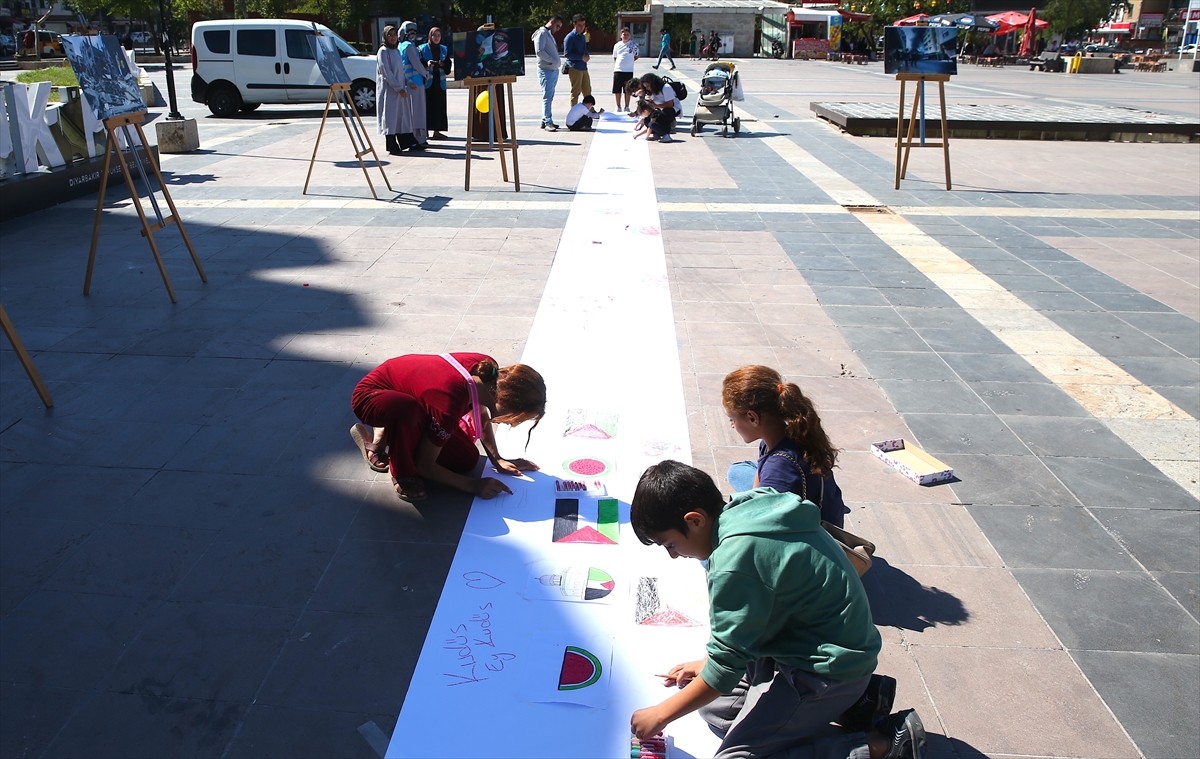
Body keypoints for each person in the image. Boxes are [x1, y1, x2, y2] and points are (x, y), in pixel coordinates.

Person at [628, 460, 928, 759]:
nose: (673, 556)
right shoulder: (748, 506)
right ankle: (860, 704)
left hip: (827, 668)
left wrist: (661, 714)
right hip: (809, 647)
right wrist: (709, 663)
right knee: (716, 709)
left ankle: (883, 746)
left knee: (735, 756)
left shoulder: (734, 561)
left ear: (695, 521)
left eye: (670, 545)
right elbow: (738, 640)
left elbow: (723, 671)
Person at [350, 353, 547, 501]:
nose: (510, 422)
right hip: (373, 395)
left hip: (412, 395)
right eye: (515, 418)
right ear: (503, 403)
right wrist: (473, 486)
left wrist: (497, 459)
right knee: (407, 414)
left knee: (466, 460)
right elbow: (424, 465)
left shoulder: (490, 373)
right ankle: (398, 467)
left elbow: (480, 413)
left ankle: (392, 428)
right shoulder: (448, 404)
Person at [722, 365, 848, 528]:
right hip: (820, 504)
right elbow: (757, 487)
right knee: (737, 471)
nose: (732, 425)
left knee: (737, 505)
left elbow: (765, 528)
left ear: (753, 418)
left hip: (816, 536)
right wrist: (752, 499)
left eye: (732, 418)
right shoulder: (790, 432)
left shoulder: (779, 469)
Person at [397, 21, 430, 150]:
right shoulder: (409, 47)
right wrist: (426, 73)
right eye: (410, 30)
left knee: (411, 112)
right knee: (418, 112)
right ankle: (419, 138)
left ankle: (415, 137)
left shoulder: (401, 46)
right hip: (416, 83)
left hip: (408, 82)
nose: (413, 33)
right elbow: (416, 64)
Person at [376, 25, 407, 155]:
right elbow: (386, 72)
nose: (393, 37)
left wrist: (406, 83)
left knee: (399, 117)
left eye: (394, 35)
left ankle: (404, 141)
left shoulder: (396, 51)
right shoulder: (383, 51)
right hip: (389, 90)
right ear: (385, 37)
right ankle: (391, 144)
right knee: (389, 117)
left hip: (399, 89)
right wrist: (398, 88)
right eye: (390, 35)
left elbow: (400, 70)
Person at [532, 15, 564, 131]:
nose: (558, 29)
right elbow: (539, 51)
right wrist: (552, 60)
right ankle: (547, 122)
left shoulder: (548, 34)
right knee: (547, 96)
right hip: (546, 70)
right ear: (552, 22)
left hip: (552, 70)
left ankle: (545, 119)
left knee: (549, 96)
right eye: (558, 26)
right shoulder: (541, 33)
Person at [419, 27, 451, 140]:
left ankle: (437, 131)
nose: (436, 38)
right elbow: (419, 64)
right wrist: (427, 64)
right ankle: (426, 130)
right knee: (427, 105)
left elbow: (448, 67)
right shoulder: (422, 49)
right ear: (430, 36)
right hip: (427, 82)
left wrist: (443, 64)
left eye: (438, 35)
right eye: (434, 35)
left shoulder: (444, 49)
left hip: (440, 81)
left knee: (440, 105)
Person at [639, 72, 681, 141]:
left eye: (648, 86)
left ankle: (666, 135)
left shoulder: (666, 88)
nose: (647, 89)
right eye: (645, 87)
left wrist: (655, 105)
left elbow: (670, 104)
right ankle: (656, 134)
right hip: (660, 109)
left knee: (660, 117)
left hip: (672, 109)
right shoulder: (652, 91)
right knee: (647, 120)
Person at [563, 13, 592, 107]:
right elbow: (567, 54)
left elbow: (584, 49)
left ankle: (589, 109)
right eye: (579, 25)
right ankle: (574, 111)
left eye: (583, 25)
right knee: (576, 92)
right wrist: (580, 57)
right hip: (574, 67)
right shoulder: (570, 37)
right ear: (574, 24)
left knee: (587, 90)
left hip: (583, 67)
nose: (582, 27)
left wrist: (586, 55)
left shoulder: (582, 36)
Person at [612, 26, 639, 112]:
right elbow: (615, 57)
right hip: (618, 70)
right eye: (624, 34)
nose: (625, 36)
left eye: (627, 34)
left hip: (629, 71)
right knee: (617, 90)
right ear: (621, 35)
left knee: (628, 90)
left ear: (630, 35)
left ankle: (627, 106)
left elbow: (636, 56)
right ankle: (618, 106)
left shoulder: (634, 45)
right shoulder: (617, 45)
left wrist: (629, 62)